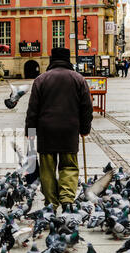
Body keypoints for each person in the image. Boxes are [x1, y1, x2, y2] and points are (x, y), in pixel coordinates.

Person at [25, 47, 93, 211]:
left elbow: (33, 109)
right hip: (69, 131)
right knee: (68, 167)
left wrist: (30, 133)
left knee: (47, 169)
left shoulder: (41, 80)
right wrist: (85, 129)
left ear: (51, 60)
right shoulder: (79, 79)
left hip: (46, 131)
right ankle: (67, 200)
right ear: (68, 60)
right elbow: (86, 108)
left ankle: (51, 203)